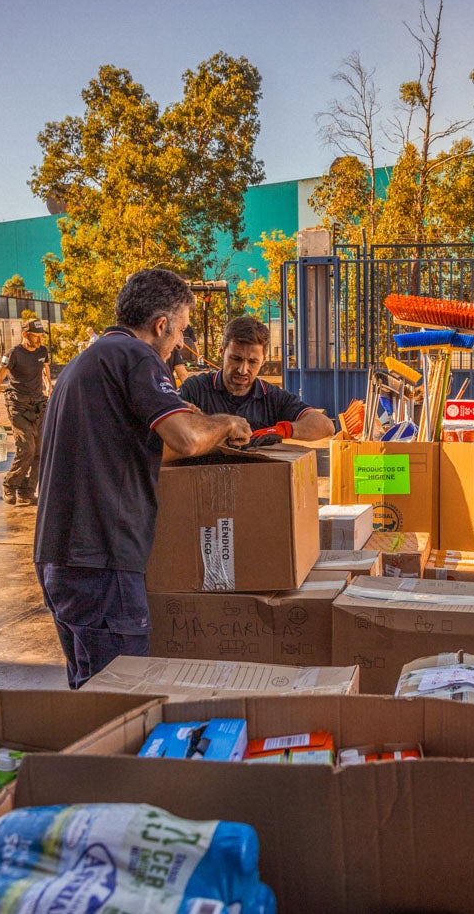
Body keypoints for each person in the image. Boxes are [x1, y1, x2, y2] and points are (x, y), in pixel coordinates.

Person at [34, 269, 252, 689]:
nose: (180, 344)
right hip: (101, 561)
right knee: (122, 703)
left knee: (93, 697)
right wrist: (225, 424)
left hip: (60, 559)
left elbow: (135, 446)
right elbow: (185, 439)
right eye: (181, 331)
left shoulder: (84, 363)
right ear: (160, 325)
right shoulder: (136, 357)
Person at [179, 316, 335, 441]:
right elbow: (167, 425)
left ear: (264, 360)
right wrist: (221, 426)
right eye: (236, 358)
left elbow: (325, 426)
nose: (243, 369)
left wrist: (282, 430)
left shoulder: (273, 397)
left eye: (252, 362)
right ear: (222, 352)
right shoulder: (195, 389)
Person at [0, 319, 51, 506]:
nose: (39, 339)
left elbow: (45, 370)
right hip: (18, 405)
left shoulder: (42, 351)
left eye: (41, 336)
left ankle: (27, 491)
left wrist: (49, 386)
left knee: (39, 451)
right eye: (36, 336)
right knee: (27, 448)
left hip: (38, 404)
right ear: (25, 335)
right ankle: (9, 484)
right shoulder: (13, 354)